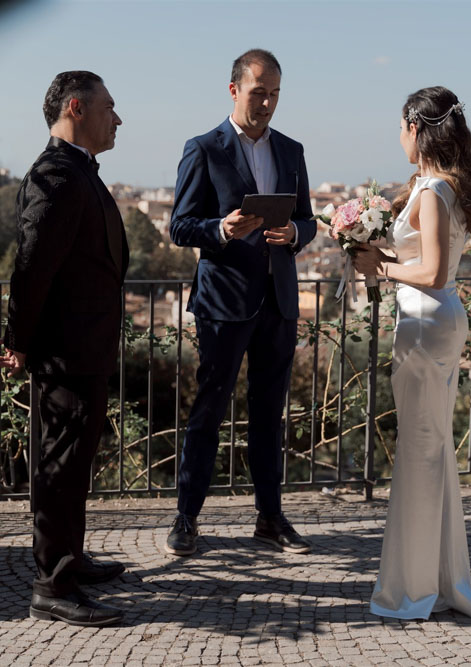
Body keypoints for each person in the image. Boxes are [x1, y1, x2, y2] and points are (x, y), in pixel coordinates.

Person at [167, 49, 317, 557]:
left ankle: (270, 519)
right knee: (208, 412)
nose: (268, 102)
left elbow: (310, 219)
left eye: (275, 93)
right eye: (259, 92)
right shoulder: (203, 148)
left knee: (269, 414)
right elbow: (180, 226)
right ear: (234, 90)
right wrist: (221, 228)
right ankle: (186, 519)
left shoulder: (292, 151)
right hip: (223, 302)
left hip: (278, 301)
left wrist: (296, 230)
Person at [353, 86, 471, 620]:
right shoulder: (442, 187)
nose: (398, 137)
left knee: (419, 454)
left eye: (400, 127)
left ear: (417, 128)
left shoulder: (434, 190)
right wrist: (378, 251)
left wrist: (379, 269)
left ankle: (413, 590)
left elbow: (432, 272)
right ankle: (444, 580)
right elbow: (430, 260)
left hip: (425, 322)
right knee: (432, 451)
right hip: (438, 322)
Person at [0, 70, 129, 627]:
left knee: (74, 462)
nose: (117, 119)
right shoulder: (57, 173)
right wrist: (17, 342)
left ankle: (68, 559)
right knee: (60, 464)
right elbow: (32, 268)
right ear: (76, 107)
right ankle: (53, 584)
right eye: (109, 107)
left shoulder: (77, 172)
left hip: (84, 344)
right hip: (67, 349)